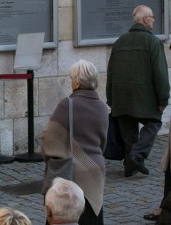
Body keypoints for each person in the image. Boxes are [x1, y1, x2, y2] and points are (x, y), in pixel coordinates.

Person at [106, 4, 169, 177]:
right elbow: (161, 74)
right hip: (145, 98)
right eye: (153, 18)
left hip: (121, 98)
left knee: (129, 132)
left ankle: (130, 166)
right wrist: (163, 99)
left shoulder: (119, 42)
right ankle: (136, 156)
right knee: (154, 122)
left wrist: (110, 98)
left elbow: (110, 72)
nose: (154, 21)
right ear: (146, 20)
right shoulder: (153, 42)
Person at [42, 60, 107, 224]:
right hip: (96, 167)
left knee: (65, 214)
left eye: (71, 78)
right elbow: (103, 140)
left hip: (73, 170)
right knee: (92, 216)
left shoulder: (67, 104)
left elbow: (50, 138)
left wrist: (56, 155)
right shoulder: (102, 107)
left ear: (76, 81)